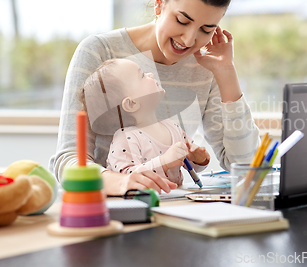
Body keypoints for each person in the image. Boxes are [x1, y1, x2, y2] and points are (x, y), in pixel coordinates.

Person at [49, 0, 260, 195]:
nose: (189, 40)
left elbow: (245, 166)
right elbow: (68, 162)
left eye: (206, 29)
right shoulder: (99, 52)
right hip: (113, 210)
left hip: (173, 209)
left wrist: (227, 74)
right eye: (182, 20)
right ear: (159, 3)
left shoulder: (206, 66)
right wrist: (123, 182)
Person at [80, 59, 211, 186]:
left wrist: (199, 159)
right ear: (131, 103)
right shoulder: (126, 138)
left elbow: (192, 165)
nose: (151, 74)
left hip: (174, 203)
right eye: (142, 76)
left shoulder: (172, 127)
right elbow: (125, 177)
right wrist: (164, 162)